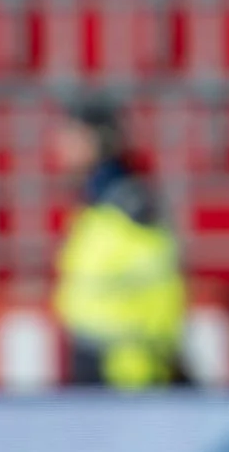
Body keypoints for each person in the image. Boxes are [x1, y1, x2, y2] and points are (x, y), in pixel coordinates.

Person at [51, 97, 186, 388]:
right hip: (101, 359)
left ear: (96, 140)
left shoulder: (128, 205)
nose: (60, 146)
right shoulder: (99, 203)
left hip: (127, 368)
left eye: (71, 135)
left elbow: (156, 291)